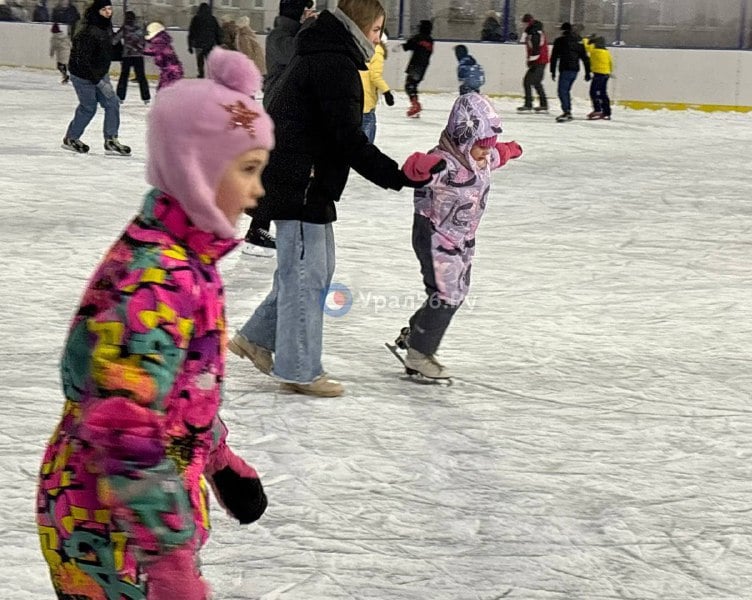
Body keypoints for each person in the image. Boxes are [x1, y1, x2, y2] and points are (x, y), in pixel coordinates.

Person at [36, 47, 273, 600]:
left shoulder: (187, 260)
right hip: (110, 531)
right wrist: (168, 563)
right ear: (198, 170)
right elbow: (125, 427)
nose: (258, 191)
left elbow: (177, 393)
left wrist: (218, 458)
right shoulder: (157, 280)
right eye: (248, 170)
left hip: (127, 520)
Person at [228, 0, 445, 397]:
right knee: (306, 276)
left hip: (305, 178)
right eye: (378, 31)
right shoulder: (333, 64)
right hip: (299, 181)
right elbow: (347, 139)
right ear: (360, 28)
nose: (380, 40)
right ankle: (299, 369)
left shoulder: (325, 52)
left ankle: (256, 338)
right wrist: (397, 176)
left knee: (313, 271)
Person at [394, 93, 522, 379]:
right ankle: (419, 353)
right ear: (463, 137)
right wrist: (421, 165)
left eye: (487, 147)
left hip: (462, 239)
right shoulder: (444, 163)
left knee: (455, 292)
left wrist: (510, 149)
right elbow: (413, 171)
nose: (485, 153)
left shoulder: (482, 160)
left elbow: (497, 154)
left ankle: (417, 333)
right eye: (479, 146)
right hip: (434, 235)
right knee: (447, 294)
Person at [243, 0, 316, 257]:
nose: (312, 12)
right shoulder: (280, 36)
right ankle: (259, 227)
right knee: (278, 172)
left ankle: (263, 226)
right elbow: (297, 54)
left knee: (283, 172)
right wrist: (308, 27)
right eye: (308, 8)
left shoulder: (294, 34)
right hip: (279, 111)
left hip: (290, 111)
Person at [62, 0, 130, 155]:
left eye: (110, 9)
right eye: (104, 9)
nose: (108, 12)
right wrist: (98, 81)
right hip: (82, 75)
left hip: (99, 73)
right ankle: (71, 138)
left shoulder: (106, 27)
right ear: (96, 11)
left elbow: (110, 51)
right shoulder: (87, 31)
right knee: (89, 107)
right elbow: (81, 60)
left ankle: (111, 140)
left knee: (112, 103)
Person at [549, 21, 590, 122]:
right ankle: (567, 110)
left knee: (562, 91)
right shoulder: (578, 40)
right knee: (565, 91)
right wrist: (587, 72)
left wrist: (552, 71)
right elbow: (584, 57)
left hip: (565, 68)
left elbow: (554, 57)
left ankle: (567, 111)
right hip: (575, 69)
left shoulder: (560, 41)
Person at [360, 31, 393, 143]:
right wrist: (387, 92)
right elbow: (375, 76)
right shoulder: (377, 51)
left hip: (355, 97)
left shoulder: (361, 48)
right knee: (366, 137)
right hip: (366, 101)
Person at [115, 10, 151, 105]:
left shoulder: (125, 28)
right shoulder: (140, 28)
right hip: (138, 55)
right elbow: (147, 39)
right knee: (141, 76)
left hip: (127, 55)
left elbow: (114, 40)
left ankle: (120, 97)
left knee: (124, 76)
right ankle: (146, 97)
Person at [401, 19, 433, 118]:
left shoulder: (418, 38)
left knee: (409, 85)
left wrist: (404, 43)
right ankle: (415, 105)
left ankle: (415, 105)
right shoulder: (430, 40)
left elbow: (407, 46)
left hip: (415, 65)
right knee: (413, 85)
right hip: (423, 66)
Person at [517, 14, 549, 112]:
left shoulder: (534, 32)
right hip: (541, 60)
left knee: (527, 81)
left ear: (527, 22)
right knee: (536, 82)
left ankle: (528, 104)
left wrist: (532, 61)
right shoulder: (535, 30)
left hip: (538, 61)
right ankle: (543, 105)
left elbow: (536, 49)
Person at [144, 21, 184, 91]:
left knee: (165, 90)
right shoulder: (162, 39)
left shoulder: (159, 40)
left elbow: (153, 51)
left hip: (171, 71)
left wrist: (138, 49)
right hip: (172, 69)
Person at [188, 2, 222, 78]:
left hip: (199, 44)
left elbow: (191, 33)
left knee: (200, 61)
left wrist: (190, 45)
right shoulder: (212, 19)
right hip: (210, 44)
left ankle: (201, 74)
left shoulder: (196, 19)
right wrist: (219, 43)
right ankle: (212, 76)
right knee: (210, 61)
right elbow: (217, 32)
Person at [587, 35, 613, 120]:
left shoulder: (595, 51)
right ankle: (607, 111)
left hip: (598, 74)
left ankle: (597, 109)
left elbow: (587, 47)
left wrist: (588, 39)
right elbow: (611, 63)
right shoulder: (606, 52)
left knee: (593, 92)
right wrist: (609, 72)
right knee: (603, 93)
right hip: (606, 74)